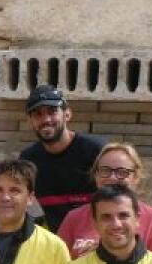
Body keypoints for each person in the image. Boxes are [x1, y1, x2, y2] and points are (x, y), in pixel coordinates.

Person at [19, 85, 106, 231]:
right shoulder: (28, 159)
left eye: (52, 112)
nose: (46, 119)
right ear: (30, 120)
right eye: (37, 114)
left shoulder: (96, 150)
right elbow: (13, 197)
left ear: (67, 114)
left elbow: (120, 196)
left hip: (97, 237)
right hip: (55, 241)